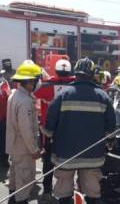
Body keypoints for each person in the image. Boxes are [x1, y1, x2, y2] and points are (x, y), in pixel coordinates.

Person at [44, 57, 116, 204]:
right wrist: (109, 142)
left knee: (63, 193)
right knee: (92, 193)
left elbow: (50, 122)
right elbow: (111, 126)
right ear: (92, 74)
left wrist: (48, 140)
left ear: (76, 73)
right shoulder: (103, 96)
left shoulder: (63, 94)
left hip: (65, 155)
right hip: (93, 156)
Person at [33, 59, 75, 199]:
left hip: (50, 133)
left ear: (56, 71)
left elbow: (33, 94)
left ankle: (46, 190)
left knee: (48, 162)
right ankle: (67, 192)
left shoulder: (47, 85)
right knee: (68, 162)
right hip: (69, 133)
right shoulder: (76, 85)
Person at [6, 60, 43, 204]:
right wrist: (34, 149)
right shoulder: (25, 101)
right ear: (29, 82)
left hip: (15, 147)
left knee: (14, 179)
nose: (36, 84)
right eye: (35, 81)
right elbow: (26, 129)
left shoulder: (14, 95)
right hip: (24, 148)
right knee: (24, 182)